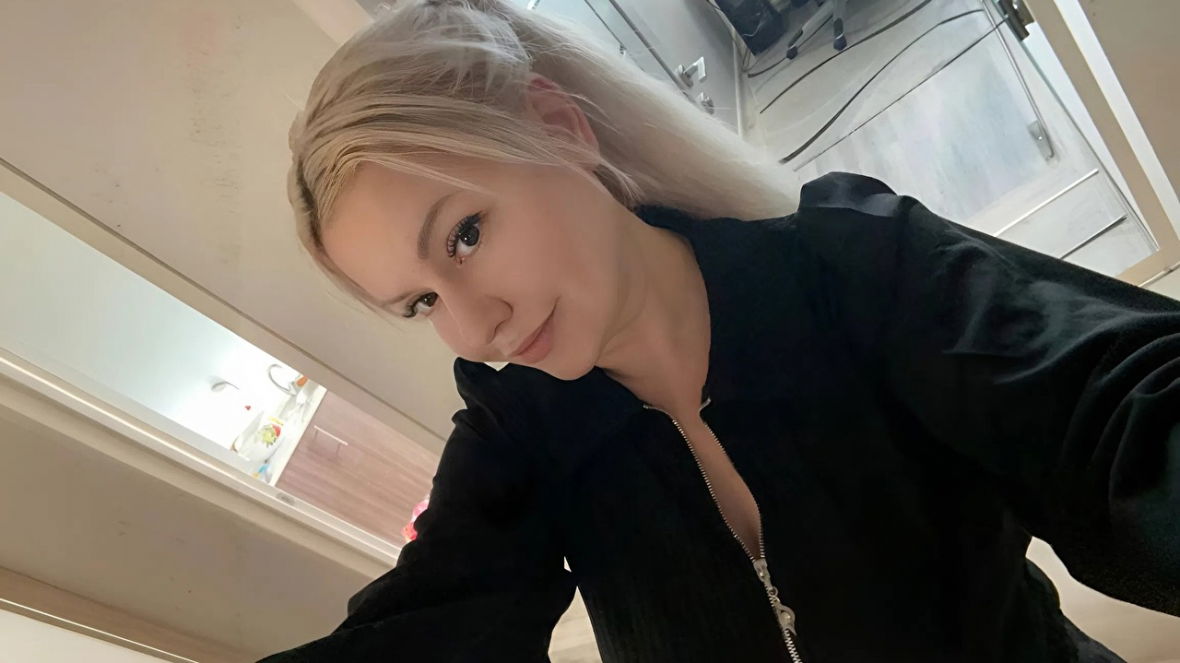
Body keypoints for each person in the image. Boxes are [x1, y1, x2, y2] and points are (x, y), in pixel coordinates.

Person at [264, 1, 1179, 661]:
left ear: (560, 126)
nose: (473, 329)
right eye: (421, 303)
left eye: (465, 235)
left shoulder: (853, 266)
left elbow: (1111, 406)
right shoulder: (521, 427)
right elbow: (429, 619)